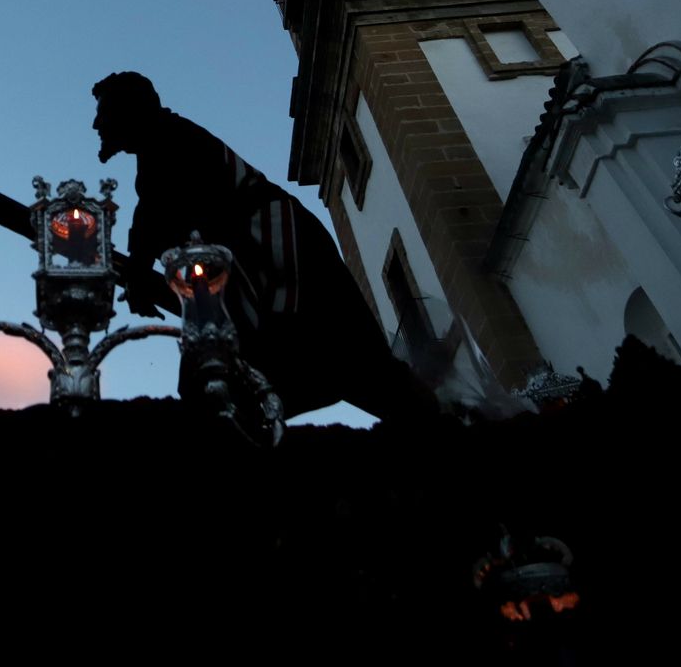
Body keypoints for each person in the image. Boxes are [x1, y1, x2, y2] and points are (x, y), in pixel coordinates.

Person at [92, 70, 437, 422]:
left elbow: (155, 214)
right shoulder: (161, 149)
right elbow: (154, 218)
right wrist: (141, 273)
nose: (96, 125)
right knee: (346, 360)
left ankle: (436, 420)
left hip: (273, 249)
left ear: (130, 109)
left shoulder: (166, 140)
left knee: (340, 355)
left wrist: (137, 272)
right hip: (256, 257)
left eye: (104, 113)